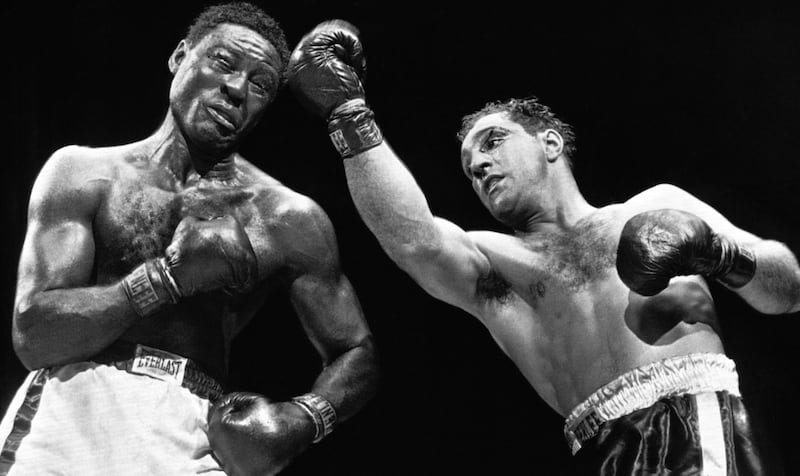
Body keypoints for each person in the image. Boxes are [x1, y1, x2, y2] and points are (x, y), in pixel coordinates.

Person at [286, 20, 800, 474]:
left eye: (492, 142)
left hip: (696, 430)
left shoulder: (652, 206)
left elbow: (788, 289)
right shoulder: (496, 267)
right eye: (469, 168)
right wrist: (348, 113)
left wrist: (720, 254)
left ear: (550, 143)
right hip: (600, 451)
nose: (479, 167)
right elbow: (411, 237)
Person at [0, 4, 378, 475]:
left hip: (191, 429)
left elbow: (357, 352)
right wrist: (163, 280)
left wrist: (304, 418)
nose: (237, 89)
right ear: (180, 56)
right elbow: (34, 336)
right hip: (75, 406)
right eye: (223, 62)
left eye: (259, 85)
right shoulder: (84, 173)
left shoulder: (286, 217)